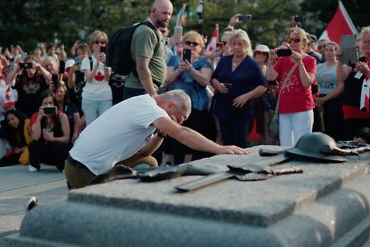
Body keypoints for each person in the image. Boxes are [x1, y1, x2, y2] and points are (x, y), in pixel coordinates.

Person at [65, 90, 249, 189]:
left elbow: (143, 153)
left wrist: (161, 134)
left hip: (79, 163)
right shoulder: (150, 108)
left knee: (149, 161)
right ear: (170, 105)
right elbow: (182, 133)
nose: (177, 121)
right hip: (84, 170)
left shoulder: (145, 105)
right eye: (180, 117)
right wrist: (219, 148)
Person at [163, 30, 216, 163]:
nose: (191, 46)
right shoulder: (174, 59)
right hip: (175, 105)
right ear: (183, 44)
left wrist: (191, 70)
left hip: (196, 105)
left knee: (193, 136)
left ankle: (188, 165)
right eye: (188, 42)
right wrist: (179, 69)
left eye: (195, 43)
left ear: (200, 47)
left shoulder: (204, 61)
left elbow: (205, 81)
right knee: (173, 136)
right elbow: (167, 79)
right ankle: (172, 164)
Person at [211, 29, 267, 148]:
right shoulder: (225, 60)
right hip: (223, 106)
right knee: (227, 143)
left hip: (241, 109)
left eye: (240, 44)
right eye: (234, 44)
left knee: (240, 143)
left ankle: (240, 166)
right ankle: (227, 166)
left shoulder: (252, 64)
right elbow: (213, 78)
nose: (236, 47)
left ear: (246, 45)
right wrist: (218, 86)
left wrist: (246, 97)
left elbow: (262, 86)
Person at [266, 27, 317, 147]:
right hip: (285, 108)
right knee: (285, 145)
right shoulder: (283, 59)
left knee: (302, 145)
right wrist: (269, 62)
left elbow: (306, 83)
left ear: (304, 42)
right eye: (290, 40)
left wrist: (300, 63)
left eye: (297, 40)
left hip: (302, 107)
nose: (293, 43)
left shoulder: (310, 60)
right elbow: (270, 77)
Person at [123, 0, 173, 99]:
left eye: (170, 14)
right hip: (140, 91)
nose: (167, 17)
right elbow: (142, 67)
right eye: (164, 13)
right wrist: (153, 95)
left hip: (145, 91)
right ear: (153, 11)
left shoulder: (155, 31)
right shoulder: (146, 32)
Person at [314, 42, 350, 141]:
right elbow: (313, 84)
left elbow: (341, 86)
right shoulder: (318, 67)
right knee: (319, 131)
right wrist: (318, 100)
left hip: (334, 101)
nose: (328, 52)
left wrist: (325, 99)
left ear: (336, 52)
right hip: (318, 101)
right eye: (326, 49)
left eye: (331, 50)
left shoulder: (342, 67)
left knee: (333, 130)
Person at [28, 90, 70, 172]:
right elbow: (35, 137)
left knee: (58, 146)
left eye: (51, 103)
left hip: (57, 151)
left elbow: (67, 138)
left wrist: (53, 139)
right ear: (41, 105)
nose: (48, 106)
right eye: (45, 103)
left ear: (54, 104)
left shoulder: (61, 116)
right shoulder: (36, 116)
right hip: (44, 152)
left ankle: (61, 166)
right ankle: (34, 165)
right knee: (33, 145)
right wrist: (38, 120)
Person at [80, 33, 112, 125]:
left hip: (105, 98)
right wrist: (97, 64)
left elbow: (107, 78)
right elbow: (89, 78)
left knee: (105, 125)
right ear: (92, 45)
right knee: (91, 126)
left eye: (103, 42)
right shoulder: (87, 60)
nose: (100, 45)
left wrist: (105, 63)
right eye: (97, 42)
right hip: (89, 98)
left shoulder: (108, 60)